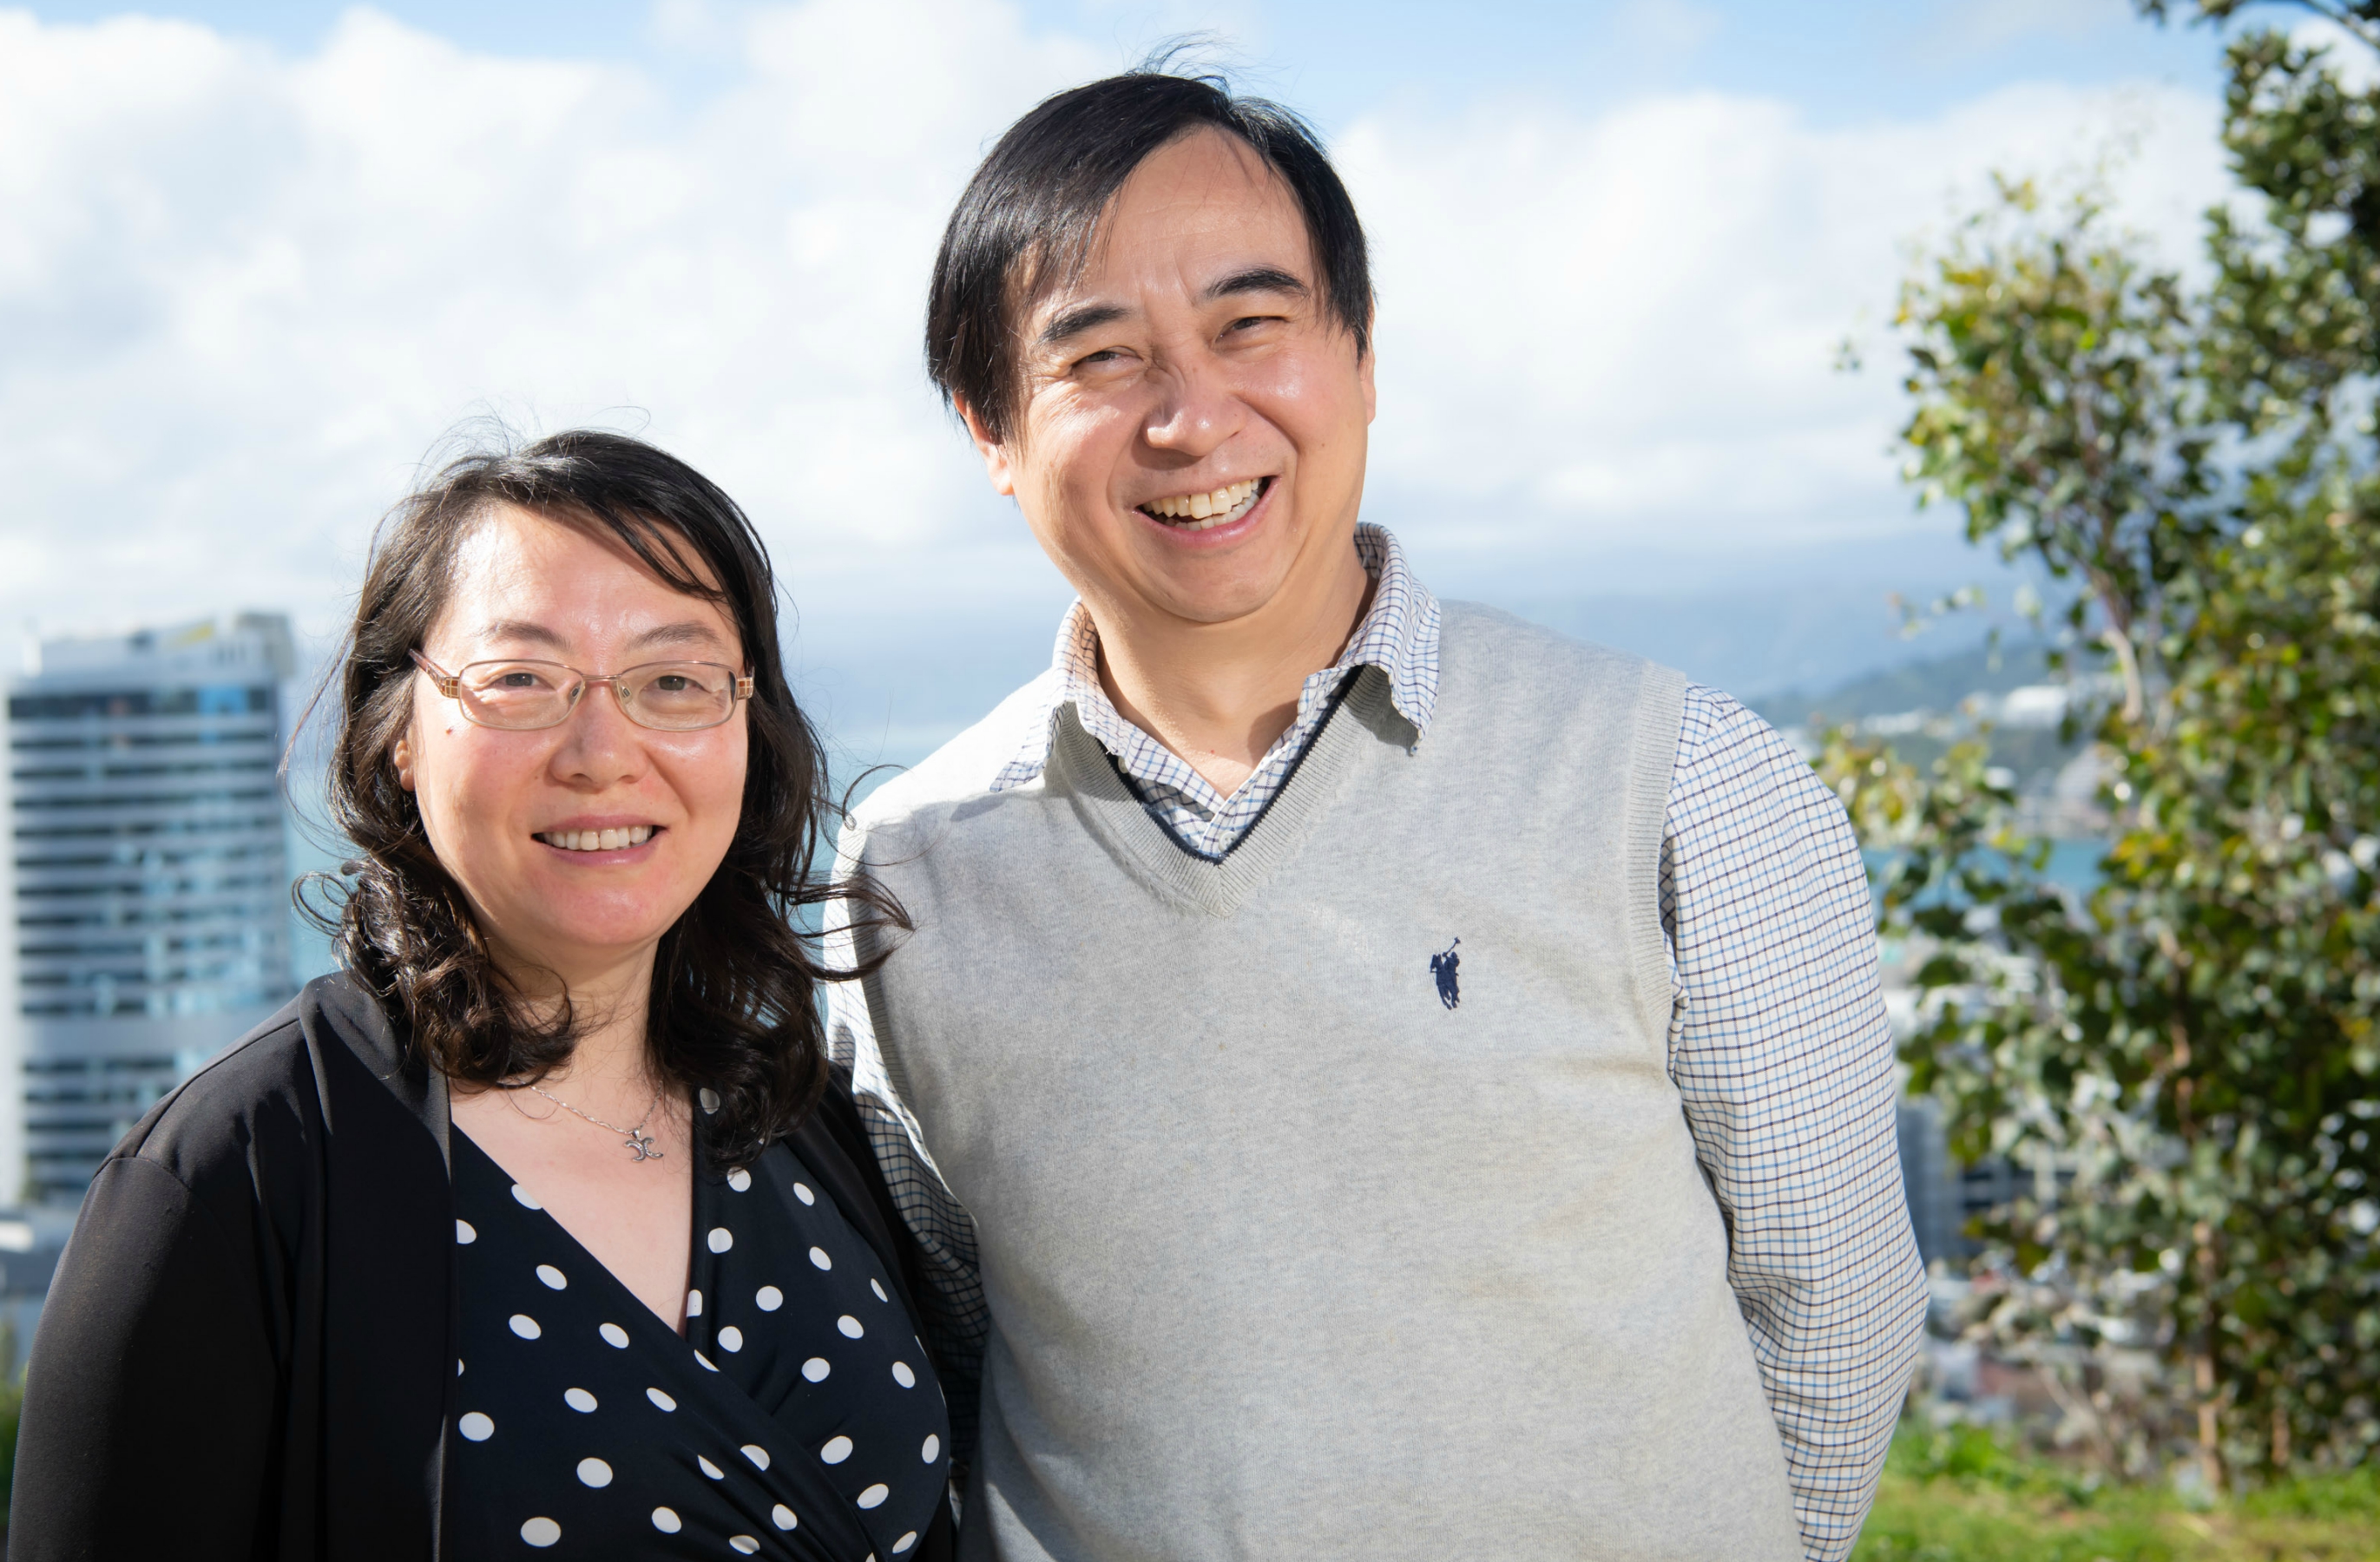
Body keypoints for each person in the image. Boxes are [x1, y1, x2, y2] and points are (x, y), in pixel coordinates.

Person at [823, 69, 1930, 1561]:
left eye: (1251, 328)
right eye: (1100, 357)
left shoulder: (1677, 777)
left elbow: (1839, 1313)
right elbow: (960, 1327)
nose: (1192, 416)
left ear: (1358, 357)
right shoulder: (910, 870)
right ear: (991, 428)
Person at [11, 430, 957, 1561]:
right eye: (520, 682)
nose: (603, 752)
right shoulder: (230, 1178)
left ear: (744, 723)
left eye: (674, 680)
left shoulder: (804, 1117)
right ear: (400, 734)